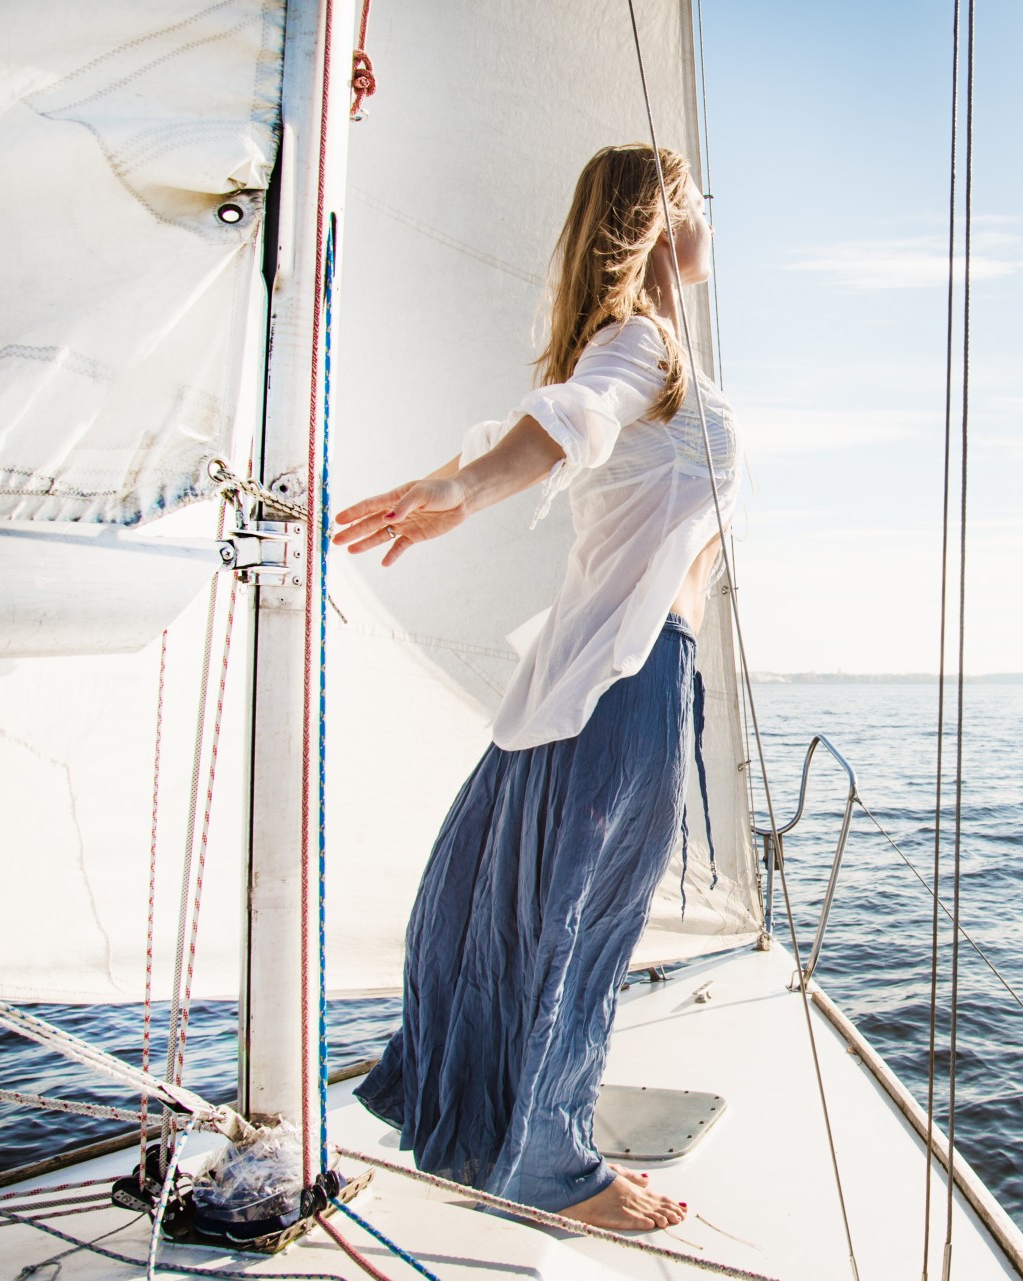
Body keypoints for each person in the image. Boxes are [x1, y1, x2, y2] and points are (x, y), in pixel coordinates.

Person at [331, 143, 736, 1232]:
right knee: (584, 923)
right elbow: (574, 419)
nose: (713, 219)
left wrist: (473, 479)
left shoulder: (639, 348)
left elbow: (574, 423)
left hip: (597, 679)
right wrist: (463, 485)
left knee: (535, 913)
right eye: (700, 200)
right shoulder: (641, 348)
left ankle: (497, 1125)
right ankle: (556, 1168)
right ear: (658, 220)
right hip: (632, 679)